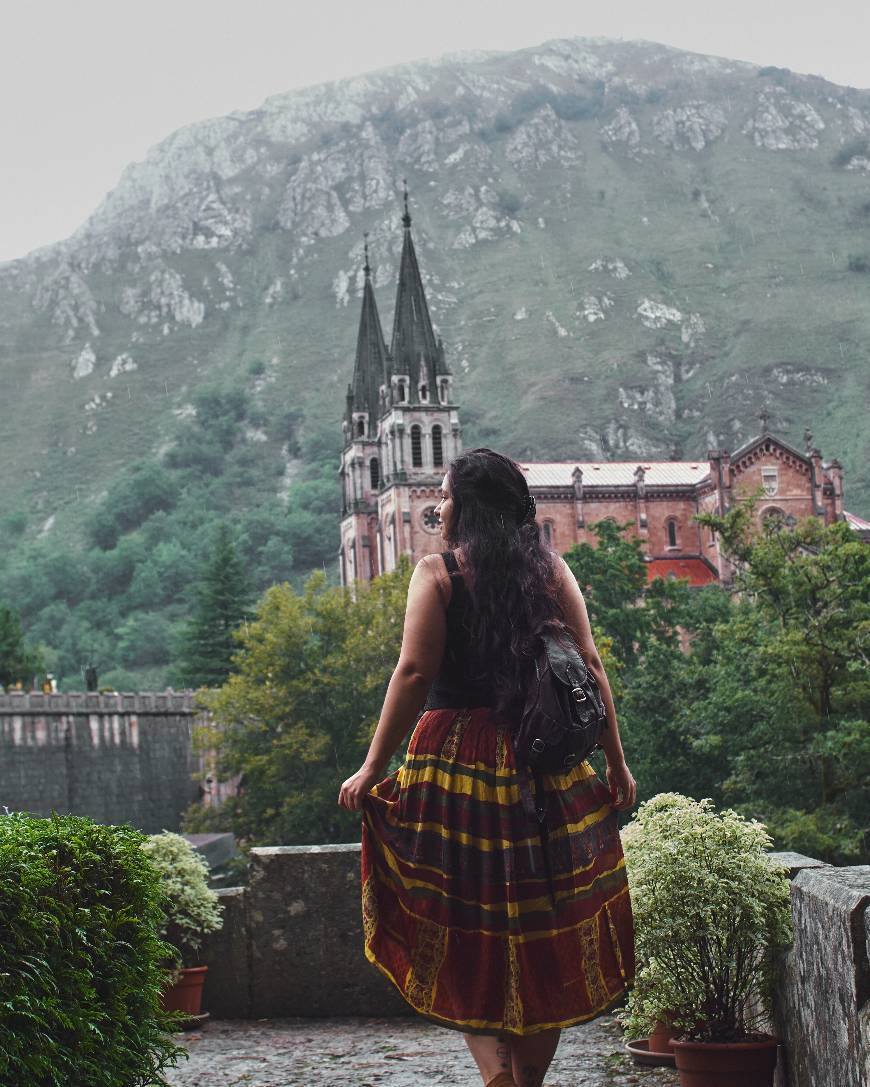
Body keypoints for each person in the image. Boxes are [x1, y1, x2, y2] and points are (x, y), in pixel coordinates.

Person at [338, 448, 637, 1087]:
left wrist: (372, 768)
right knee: (542, 926)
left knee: (464, 922)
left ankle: (497, 1080)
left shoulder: (438, 574)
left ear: (466, 509)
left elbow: (415, 673)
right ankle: (525, 1082)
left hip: (454, 770)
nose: (439, 507)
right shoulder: (550, 571)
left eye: (445, 497)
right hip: (544, 765)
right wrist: (616, 764)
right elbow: (591, 668)